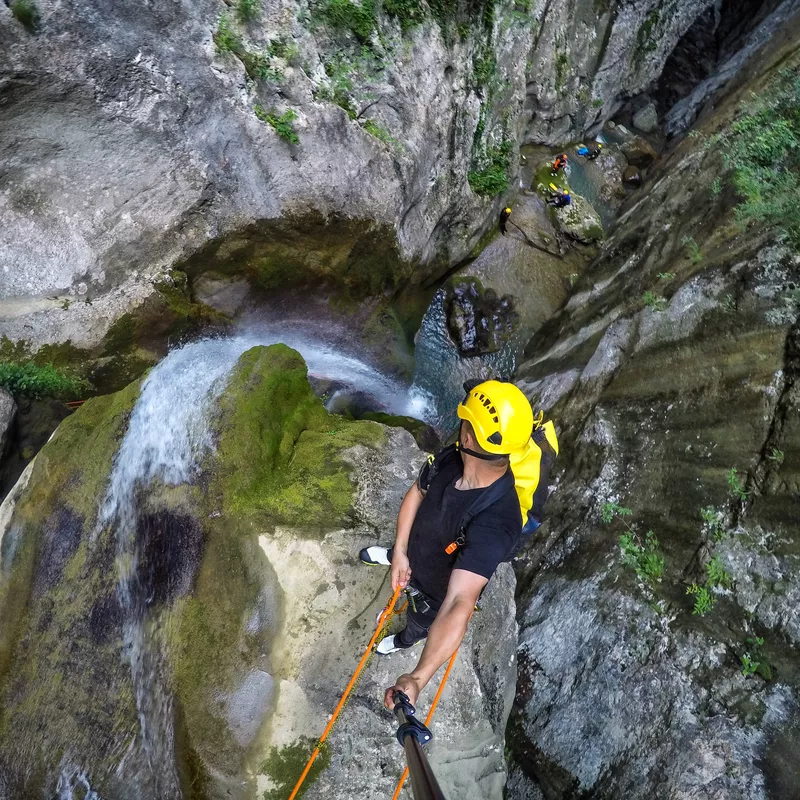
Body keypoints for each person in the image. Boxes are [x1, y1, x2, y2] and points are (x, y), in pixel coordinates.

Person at [359, 380, 534, 709]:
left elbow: (459, 602)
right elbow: (418, 491)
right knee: (406, 560)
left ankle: (401, 640)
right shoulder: (454, 457)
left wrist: (417, 678)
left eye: (464, 420)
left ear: (469, 435)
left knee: (418, 622)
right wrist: (399, 551)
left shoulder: (499, 522)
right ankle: (395, 558)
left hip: (434, 593)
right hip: (415, 552)